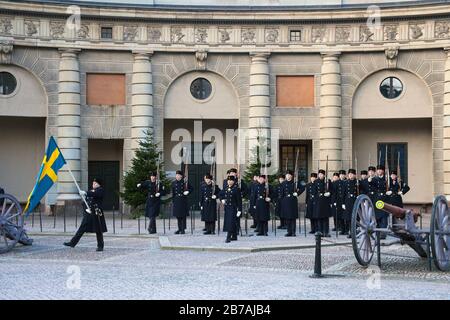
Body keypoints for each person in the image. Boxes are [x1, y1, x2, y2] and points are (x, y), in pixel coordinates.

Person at [64, 178, 107, 251]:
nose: (93, 184)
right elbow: (86, 201)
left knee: (98, 230)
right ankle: (72, 242)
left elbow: (95, 194)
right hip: (89, 213)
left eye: (95, 183)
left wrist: (85, 193)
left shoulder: (100, 190)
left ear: (99, 184)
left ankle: (100, 246)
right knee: (82, 228)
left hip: (96, 213)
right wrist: (84, 201)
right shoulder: (91, 191)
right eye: (93, 183)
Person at [280, 170, 305, 237]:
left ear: (291, 176)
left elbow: (303, 187)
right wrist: (281, 201)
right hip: (285, 201)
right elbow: (281, 193)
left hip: (292, 201)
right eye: (286, 175)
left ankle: (293, 232)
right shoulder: (283, 183)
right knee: (287, 218)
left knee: (292, 217)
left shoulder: (295, 182)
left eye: (289, 175)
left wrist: (297, 193)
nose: (287, 176)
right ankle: (289, 231)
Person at [219, 176, 242, 243]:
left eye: (231, 180)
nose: (229, 181)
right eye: (228, 180)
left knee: (230, 222)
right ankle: (234, 236)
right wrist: (222, 199)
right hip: (227, 208)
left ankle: (228, 237)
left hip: (233, 208)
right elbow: (220, 194)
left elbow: (239, 201)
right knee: (230, 222)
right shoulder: (226, 188)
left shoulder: (236, 189)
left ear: (233, 181)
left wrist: (239, 210)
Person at [171, 170, 193, 234]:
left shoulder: (185, 182)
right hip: (177, 200)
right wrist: (173, 201)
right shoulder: (173, 183)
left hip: (183, 200)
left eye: (178, 175)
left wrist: (188, 191)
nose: (177, 176)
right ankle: (179, 228)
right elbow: (173, 193)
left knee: (183, 216)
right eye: (176, 175)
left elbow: (192, 188)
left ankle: (183, 229)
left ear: (181, 176)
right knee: (178, 216)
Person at [313, 169, 332, 237]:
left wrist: (329, 193)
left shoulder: (327, 181)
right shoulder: (316, 181)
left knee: (325, 218)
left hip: (325, 202)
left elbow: (331, 190)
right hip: (318, 202)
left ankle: (326, 232)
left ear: (324, 175)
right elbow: (314, 192)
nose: (320, 175)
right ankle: (320, 231)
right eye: (319, 174)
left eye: (321, 174)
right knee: (319, 217)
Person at [372, 165, 388, 237]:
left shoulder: (386, 179)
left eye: (380, 170)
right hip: (377, 198)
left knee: (384, 216)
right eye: (378, 170)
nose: (379, 171)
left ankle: (383, 233)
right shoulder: (375, 179)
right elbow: (371, 186)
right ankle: (378, 232)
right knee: (377, 216)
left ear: (383, 171)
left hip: (384, 198)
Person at [342, 169, 358, 237]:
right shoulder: (345, 183)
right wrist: (343, 203)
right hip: (348, 201)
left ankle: (355, 231)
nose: (350, 175)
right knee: (348, 218)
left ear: (354, 175)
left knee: (355, 217)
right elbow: (343, 193)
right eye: (349, 174)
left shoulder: (357, 182)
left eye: (352, 174)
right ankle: (350, 232)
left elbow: (362, 190)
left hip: (355, 200)